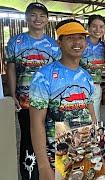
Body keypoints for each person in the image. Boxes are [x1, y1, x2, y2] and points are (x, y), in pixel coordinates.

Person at [29, 19, 96, 180]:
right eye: (70, 38)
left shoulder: (86, 76)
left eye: (80, 37)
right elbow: (36, 123)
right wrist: (44, 165)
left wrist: (95, 148)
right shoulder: (43, 76)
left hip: (84, 151)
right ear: (59, 42)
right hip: (57, 155)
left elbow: (91, 113)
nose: (77, 42)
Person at [5, 2, 60, 179]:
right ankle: (30, 174)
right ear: (27, 17)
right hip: (25, 100)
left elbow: (56, 73)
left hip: (49, 101)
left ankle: (51, 172)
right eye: (34, 15)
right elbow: (11, 69)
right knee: (28, 139)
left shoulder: (53, 45)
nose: (38, 19)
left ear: (47, 20)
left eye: (42, 16)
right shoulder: (16, 41)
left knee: (50, 138)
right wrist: (12, 94)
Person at [81, 14, 105, 123]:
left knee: (95, 119)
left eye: (101, 27)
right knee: (79, 118)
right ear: (88, 27)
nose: (98, 30)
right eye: (94, 26)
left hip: (96, 86)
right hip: (80, 86)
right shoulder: (81, 43)